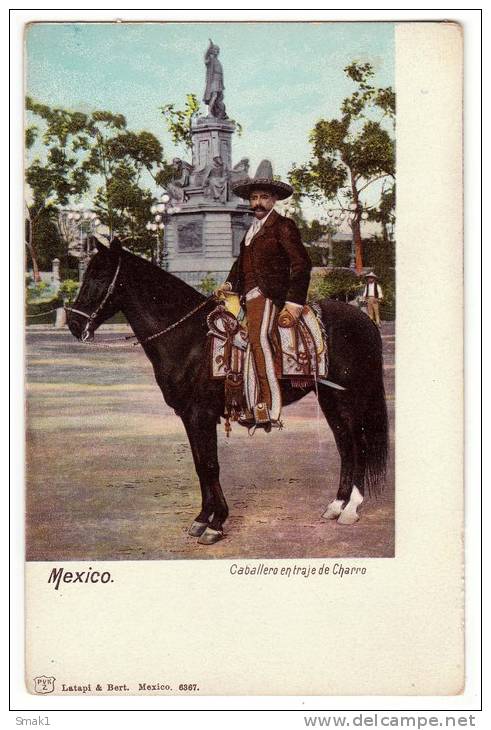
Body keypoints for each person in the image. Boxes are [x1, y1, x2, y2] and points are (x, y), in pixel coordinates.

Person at [215, 160, 312, 430]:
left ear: (274, 200)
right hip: (248, 297)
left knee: (259, 340)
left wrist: (293, 303)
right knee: (235, 339)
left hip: (271, 296)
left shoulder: (283, 226)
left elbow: (302, 264)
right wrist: (228, 285)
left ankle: (270, 408)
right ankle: (247, 398)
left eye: (264, 198)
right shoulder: (251, 230)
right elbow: (240, 266)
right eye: (254, 198)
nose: (258, 203)